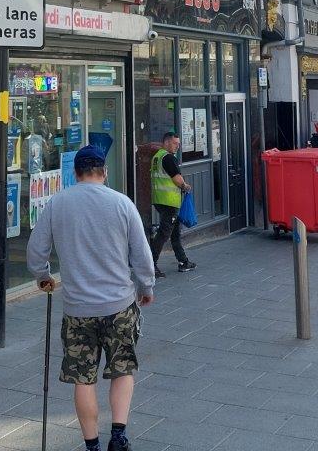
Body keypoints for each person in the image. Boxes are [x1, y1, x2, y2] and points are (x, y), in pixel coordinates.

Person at [28, 146, 154, 451]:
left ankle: (92, 444)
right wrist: (145, 287)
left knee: (83, 379)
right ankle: (119, 436)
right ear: (104, 171)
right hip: (119, 305)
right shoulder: (122, 203)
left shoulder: (58, 204)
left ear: (76, 173)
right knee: (122, 370)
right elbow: (141, 254)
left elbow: (36, 250)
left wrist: (43, 275)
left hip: (77, 310)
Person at [149, 131, 194, 277]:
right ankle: (150, 264)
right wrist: (185, 186)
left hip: (159, 200)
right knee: (163, 233)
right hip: (169, 202)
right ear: (167, 142)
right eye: (175, 143)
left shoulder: (157, 157)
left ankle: (183, 262)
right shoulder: (168, 158)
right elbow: (176, 179)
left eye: (179, 144)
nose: (178, 146)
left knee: (175, 233)